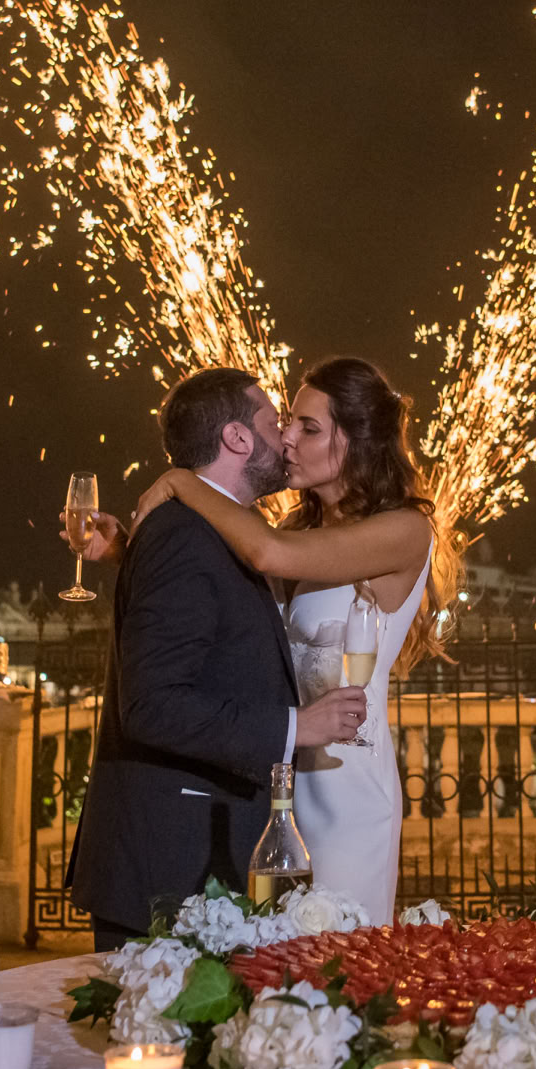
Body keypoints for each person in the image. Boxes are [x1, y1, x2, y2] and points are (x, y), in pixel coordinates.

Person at [126, 356, 445, 925]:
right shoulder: (297, 531)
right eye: (288, 422)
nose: (289, 439)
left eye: (309, 427)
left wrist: (180, 480)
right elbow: (220, 595)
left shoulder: (403, 530)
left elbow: (265, 554)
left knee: (335, 965)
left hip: (346, 791)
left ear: (358, 442)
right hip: (277, 783)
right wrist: (125, 550)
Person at [65, 367, 367, 950]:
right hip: (169, 870)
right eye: (273, 421)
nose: (284, 437)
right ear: (236, 438)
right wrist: (297, 725)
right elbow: (152, 706)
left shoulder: (209, 529)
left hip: (194, 859)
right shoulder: (184, 534)